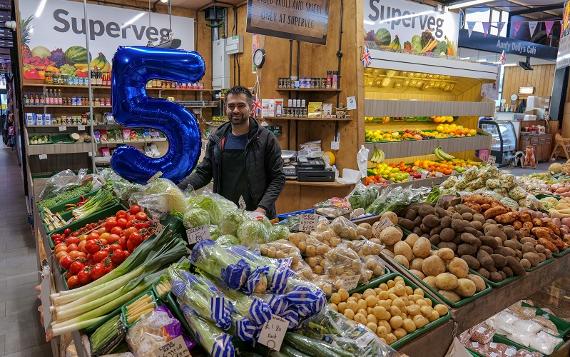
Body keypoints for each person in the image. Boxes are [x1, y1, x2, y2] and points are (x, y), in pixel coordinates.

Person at [179, 86, 285, 218]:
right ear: (226, 109)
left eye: (241, 105)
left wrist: (261, 209)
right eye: (231, 106)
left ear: (251, 108)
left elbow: (278, 178)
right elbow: (204, 173)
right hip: (226, 214)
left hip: (257, 214)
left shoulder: (266, 139)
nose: (235, 110)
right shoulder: (217, 138)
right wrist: (177, 189)